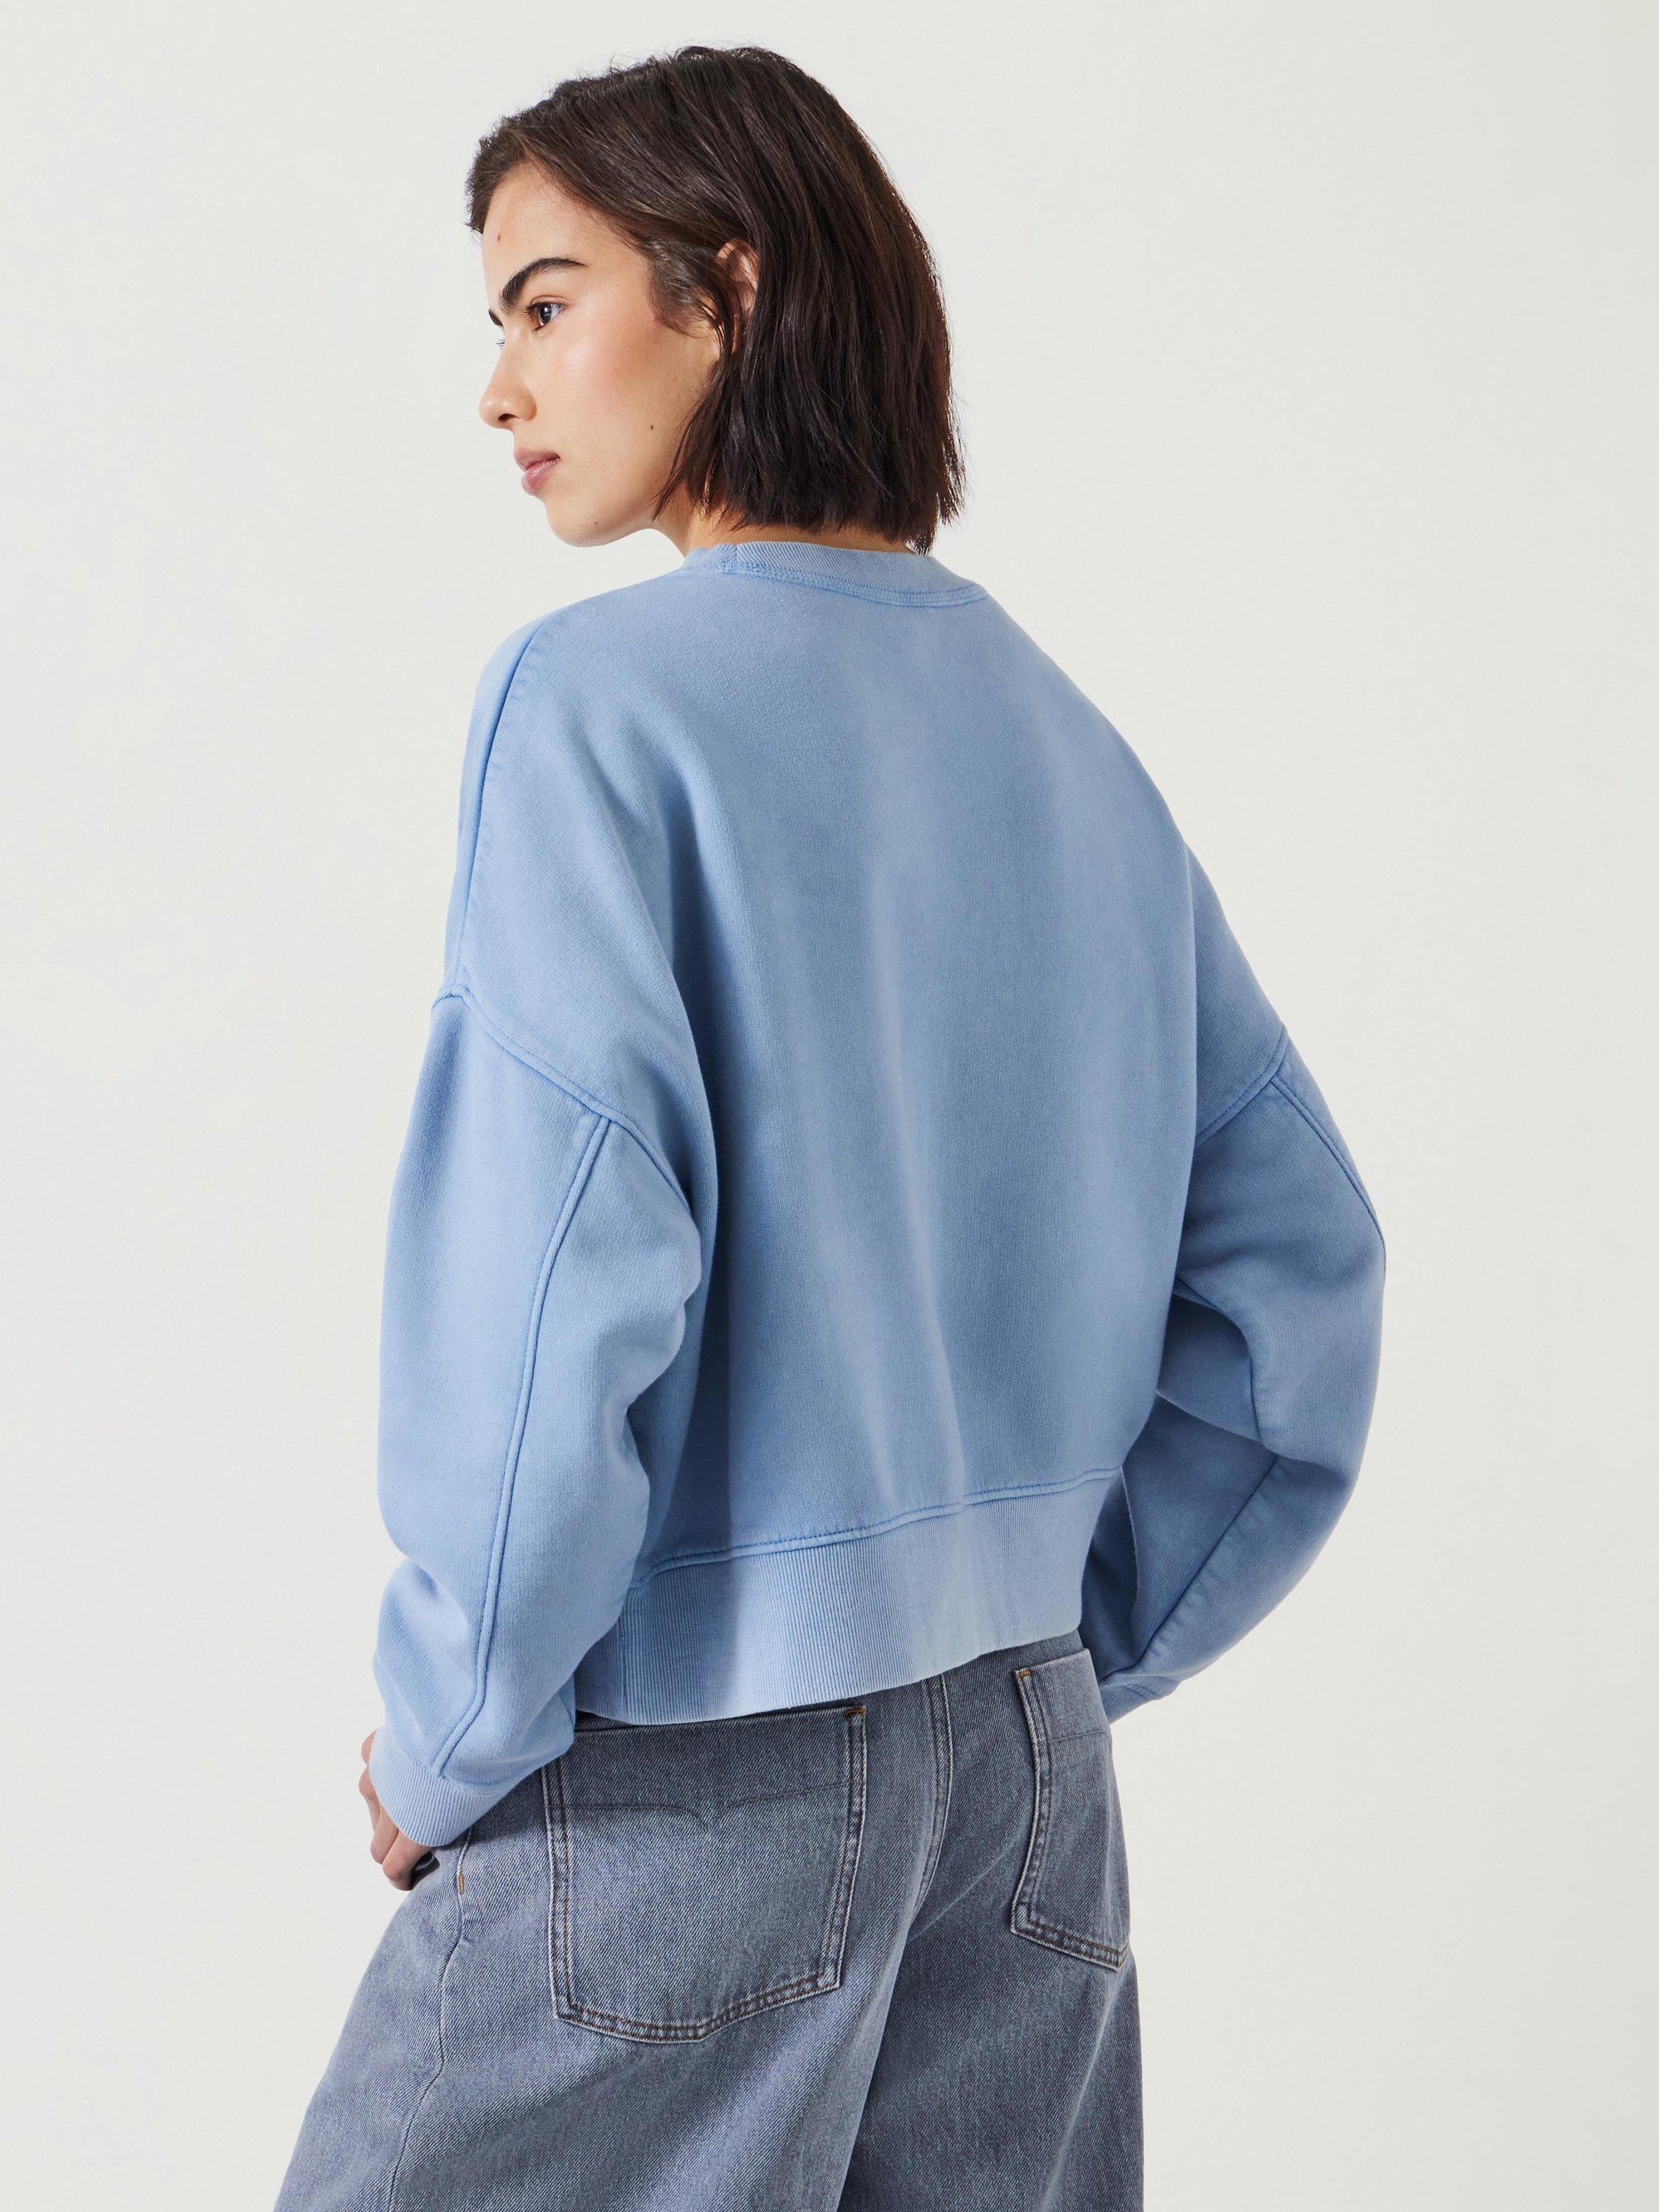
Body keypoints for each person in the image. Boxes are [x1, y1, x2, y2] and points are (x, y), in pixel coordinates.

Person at [274, 42, 1385, 2212]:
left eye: (545, 303)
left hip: (691, 1779)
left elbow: (556, 1281)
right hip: (1027, 1785)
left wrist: (452, 1725)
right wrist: (1052, 1626)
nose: (500, 389)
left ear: (732, 289)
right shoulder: (1064, 738)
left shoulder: (596, 706)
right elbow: (1296, 1274)